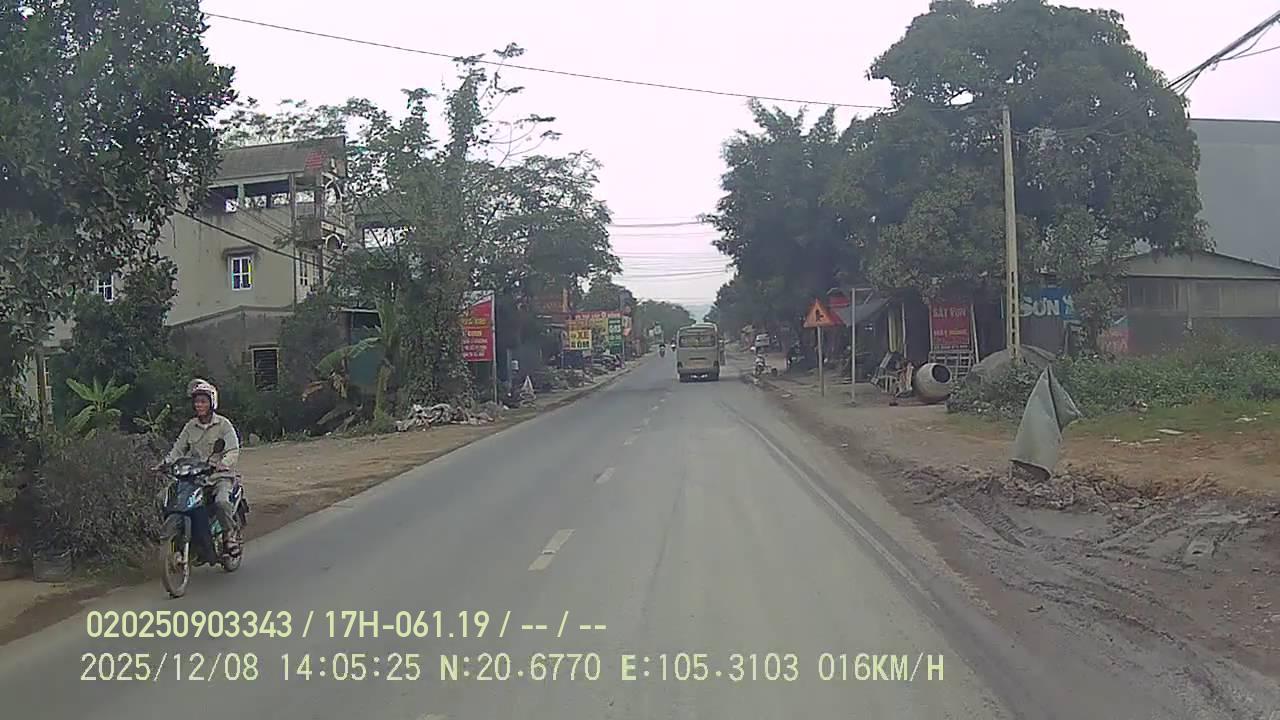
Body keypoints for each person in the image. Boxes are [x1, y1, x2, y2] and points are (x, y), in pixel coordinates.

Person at [162, 379, 242, 552]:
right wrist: (164, 464)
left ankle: (229, 535)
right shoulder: (190, 426)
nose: (199, 405)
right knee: (165, 497)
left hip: (218, 476)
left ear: (212, 403)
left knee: (221, 502)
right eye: (197, 402)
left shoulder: (223, 425)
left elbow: (233, 450)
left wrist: (223, 463)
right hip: (193, 477)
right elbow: (177, 450)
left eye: (203, 401)